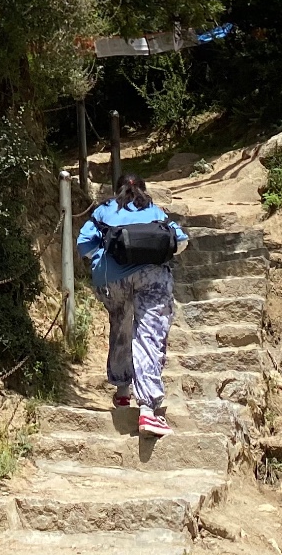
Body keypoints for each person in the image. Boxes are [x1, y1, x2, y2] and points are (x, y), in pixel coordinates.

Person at [77, 173, 190, 437]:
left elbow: (84, 244)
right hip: (151, 277)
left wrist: (107, 259)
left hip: (111, 279)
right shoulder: (155, 211)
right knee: (148, 335)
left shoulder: (104, 210)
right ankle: (148, 410)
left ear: (116, 190)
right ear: (143, 190)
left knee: (121, 324)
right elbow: (181, 241)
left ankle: (122, 390)